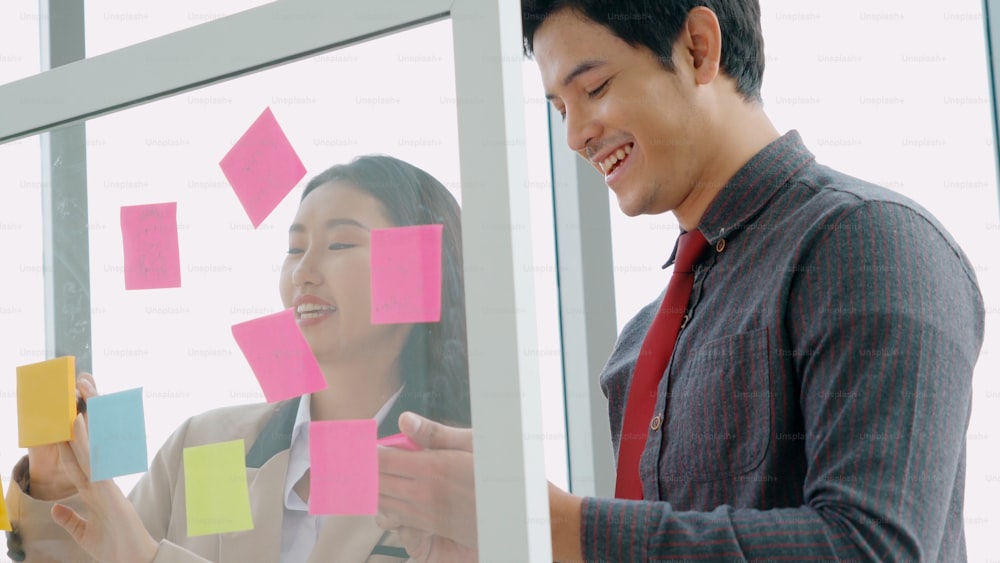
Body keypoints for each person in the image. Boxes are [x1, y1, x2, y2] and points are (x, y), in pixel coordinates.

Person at [376, 1, 986, 561]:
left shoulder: (870, 242)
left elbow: (871, 548)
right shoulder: (639, 344)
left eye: (594, 88)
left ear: (698, 47)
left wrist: (560, 527)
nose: (575, 135)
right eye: (561, 109)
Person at [5, 154, 471, 562]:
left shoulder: (459, 477)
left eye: (340, 244)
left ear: (418, 272)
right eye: (293, 249)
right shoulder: (204, 445)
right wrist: (52, 482)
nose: (303, 273)